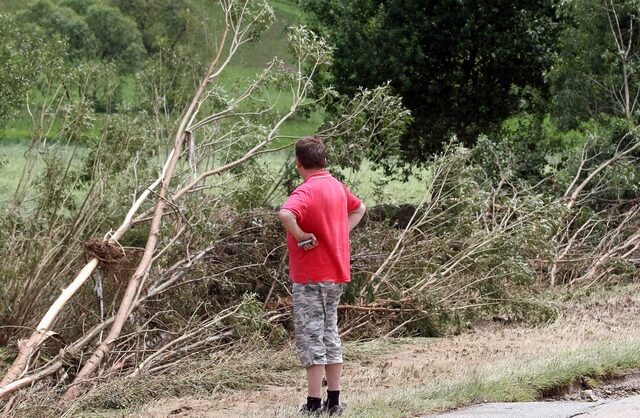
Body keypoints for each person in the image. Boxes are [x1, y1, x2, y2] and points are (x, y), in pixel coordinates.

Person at [278, 135, 366, 415]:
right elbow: (360, 208)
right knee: (331, 333)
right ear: (323, 160)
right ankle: (335, 400)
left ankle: (314, 403)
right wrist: (339, 233)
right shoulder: (337, 186)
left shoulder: (307, 190)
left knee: (310, 335)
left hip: (310, 275)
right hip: (336, 273)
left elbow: (285, 214)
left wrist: (302, 235)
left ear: (298, 163)